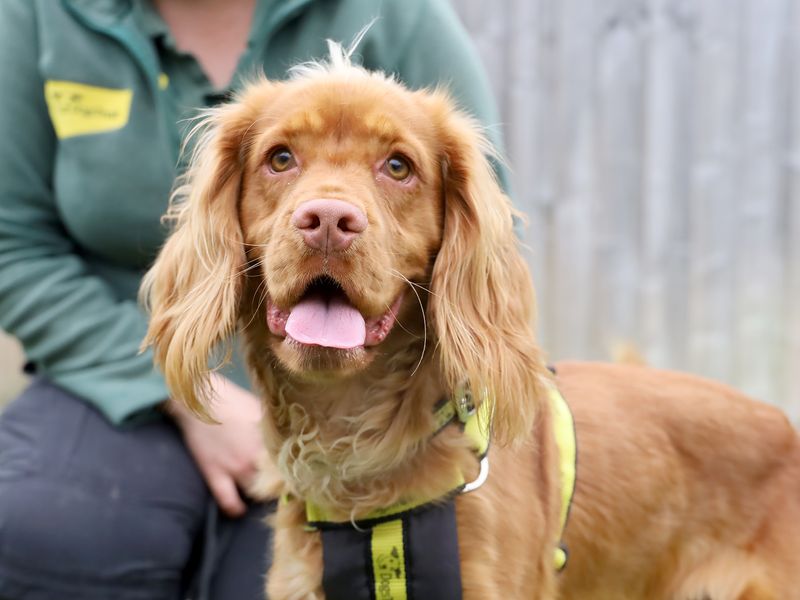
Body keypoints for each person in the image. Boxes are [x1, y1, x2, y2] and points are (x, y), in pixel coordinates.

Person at [0, 0, 505, 597]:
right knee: (41, 536)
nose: (328, 212)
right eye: (281, 158)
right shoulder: (38, 16)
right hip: (119, 370)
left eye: (396, 165)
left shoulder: (400, 15)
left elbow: (488, 248)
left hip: (370, 415)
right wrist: (178, 390)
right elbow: (14, 244)